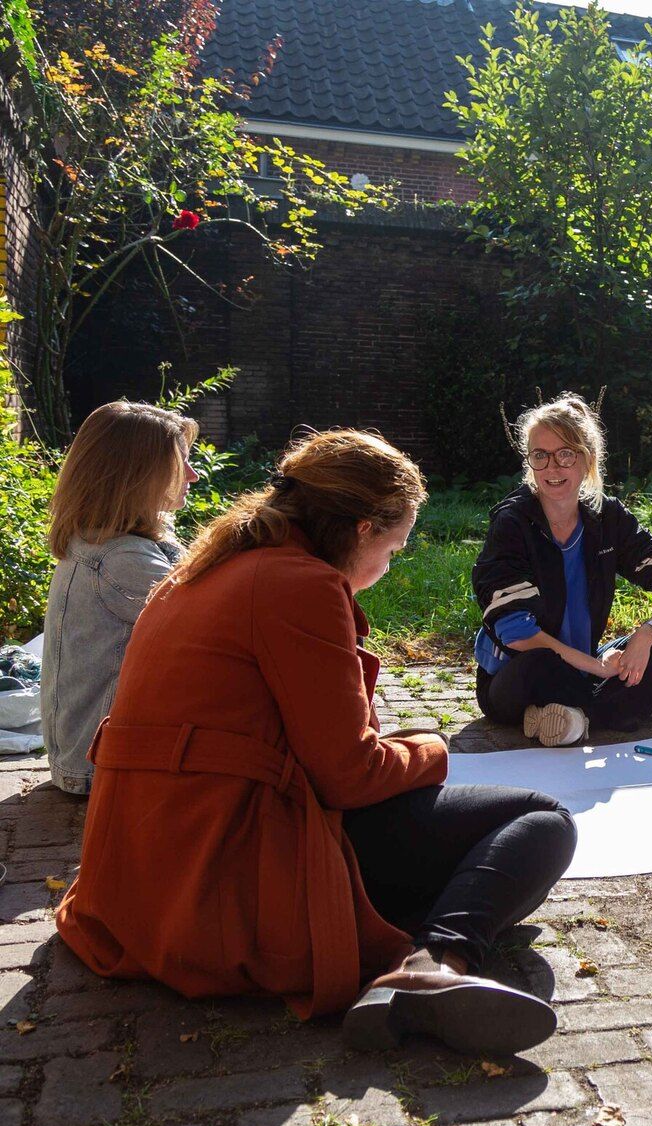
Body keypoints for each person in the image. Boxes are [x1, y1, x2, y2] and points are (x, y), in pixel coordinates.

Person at [55, 430, 576, 1056]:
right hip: (229, 873)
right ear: (361, 529)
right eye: (395, 546)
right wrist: (434, 750)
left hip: (142, 881)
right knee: (542, 821)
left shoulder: (203, 570)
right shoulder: (300, 584)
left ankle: (419, 948)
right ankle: (435, 965)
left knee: (476, 852)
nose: (390, 565)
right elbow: (349, 776)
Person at [473, 394, 652, 747]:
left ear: (587, 459)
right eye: (540, 456)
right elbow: (516, 632)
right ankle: (627, 705)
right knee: (542, 663)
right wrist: (598, 668)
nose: (552, 468)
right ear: (529, 461)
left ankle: (576, 718)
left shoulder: (607, 516)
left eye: (565, 454)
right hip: (519, 676)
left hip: (583, 666)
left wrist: (646, 636)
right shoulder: (512, 522)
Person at [40, 401, 200, 795]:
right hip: (95, 767)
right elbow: (212, 627)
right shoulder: (122, 559)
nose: (192, 476)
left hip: (81, 754)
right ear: (136, 474)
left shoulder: (104, 538)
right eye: (180, 464)